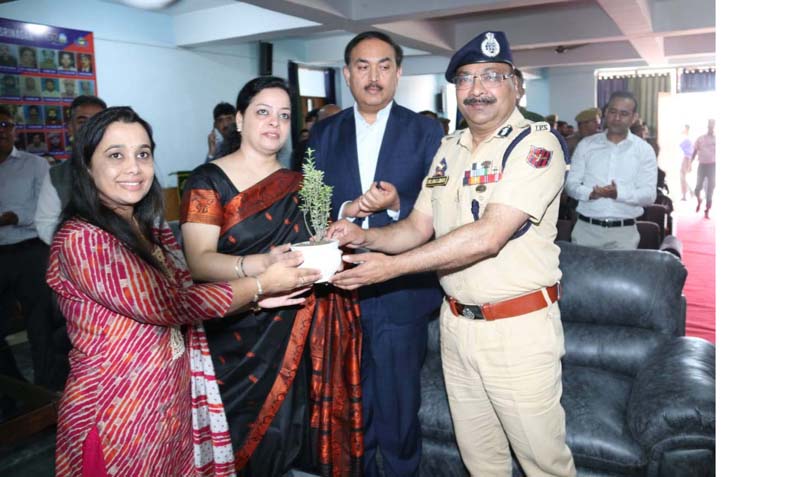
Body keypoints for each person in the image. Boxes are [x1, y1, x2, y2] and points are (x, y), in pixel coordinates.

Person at [326, 30, 576, 477]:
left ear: (516, 85)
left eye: (491, 76)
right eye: (465, 79)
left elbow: (488, 236)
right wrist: (363, 238)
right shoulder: (449, 149)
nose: (477, 89)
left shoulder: (536, 145)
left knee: (544, 465)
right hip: (456, 327)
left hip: (516, 329)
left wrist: (390, 269)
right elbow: (416, 227)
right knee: (481, 462)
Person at [47, 105, 320, 476]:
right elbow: (170, 304)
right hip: (117, 413)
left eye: (143, 154)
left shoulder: (148, 230)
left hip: (168, 405)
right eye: (116, 156)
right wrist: (259, 285)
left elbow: (185, 297)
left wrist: (257, 296)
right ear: (87, 165)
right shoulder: (82, 240)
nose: (134, 168)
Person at [181, 76, 363, 476]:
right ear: (240, 119)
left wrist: (332, 239)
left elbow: (310, 247)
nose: (274, 123)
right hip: (232, 327)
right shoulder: (207, 181)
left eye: (283, 115)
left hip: (289, 327)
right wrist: (260, 264)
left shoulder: (300, 185)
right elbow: (199, 262)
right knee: (232, 434)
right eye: (263, 112)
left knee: (281, 437)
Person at [307, 31, 444, 477]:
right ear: (347, 74)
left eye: (384, 66)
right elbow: (309, 205)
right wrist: (348, 209)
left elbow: (442, 203)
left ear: (398, 73)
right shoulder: (323, 133)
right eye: (362, 66)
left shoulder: (426, 131)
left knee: (399, 403)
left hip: (400, 289)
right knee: (350, 400)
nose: (373, 76)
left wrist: (398, 203)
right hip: (340, 287)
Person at [0, 106, 52, 388]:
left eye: (6, 125)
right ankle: (14, 392)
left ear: (15, 130)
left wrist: (13, 217)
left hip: (30, 251)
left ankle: (46, 389)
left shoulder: (35, 165)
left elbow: (45, 209)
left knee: (40, 324)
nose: (2, 131)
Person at [565, 91, 657, 250]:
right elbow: (570, 185)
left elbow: (649, 195)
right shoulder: (586, 145)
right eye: (613, 112)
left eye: (624, 114)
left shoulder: (644, 150)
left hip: (624, 234)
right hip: (586, 231)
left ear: (634, 117)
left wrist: (618, 194)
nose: (617, 118)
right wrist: (590, 193)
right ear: (606, 113)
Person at [36, 95, 107, 245]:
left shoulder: (128, 167)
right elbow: (45, 223)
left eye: (97, 121)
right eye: (82, 121)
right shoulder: (57, 176)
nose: (90, 126)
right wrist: (81, 244)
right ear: (70, 128)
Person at [691, 118, 716, 218]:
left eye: (712, 125)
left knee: (710, 189)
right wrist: (691, 162)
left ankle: (707, 210)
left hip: (712, 166)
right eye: (710, 125)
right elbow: (695, 150)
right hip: (702, 166)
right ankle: (699, 200)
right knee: (697, 188)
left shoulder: (716, 139)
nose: (711, 127)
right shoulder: (701, 138)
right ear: (708, 126)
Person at [679, 124, 693, 201]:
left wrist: (689, 162)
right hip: (686, 158)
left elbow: (690, 151)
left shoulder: (687, 139)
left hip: (686, 158)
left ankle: (687, 193)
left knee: (682, 176)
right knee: (683, 177)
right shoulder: (686, 138)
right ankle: (689, 192)